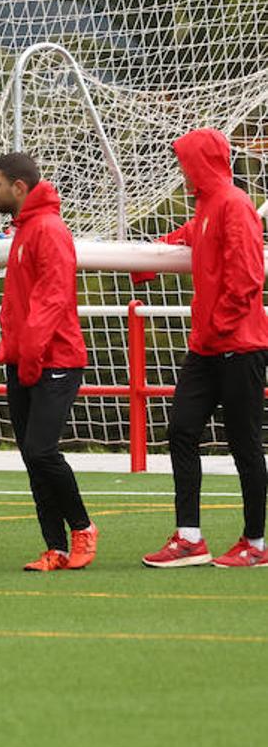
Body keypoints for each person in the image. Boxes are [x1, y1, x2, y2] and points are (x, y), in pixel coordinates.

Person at [137, 129, 268, 568]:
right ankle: (190, 537)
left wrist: (218, 326)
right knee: (181, 431)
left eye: (184, 162)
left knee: (244, 445)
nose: (180, 171)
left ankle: (256, 543)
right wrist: (150, 260)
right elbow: (190, 235)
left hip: (239, 346)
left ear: (200, 163)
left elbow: (248, 278)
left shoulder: (234, 204)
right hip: (208, 347)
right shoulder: (209, 204)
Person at [0, 152, 97, 571]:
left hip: (55, 359)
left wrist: (31, 356)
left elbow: (52, 299)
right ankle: (55, 547)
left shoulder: (49, 230)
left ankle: (83, 528)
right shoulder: (25, 229)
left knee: (42, 450)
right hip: (23, 359)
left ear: (19, 187)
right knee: (32, 457)